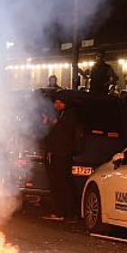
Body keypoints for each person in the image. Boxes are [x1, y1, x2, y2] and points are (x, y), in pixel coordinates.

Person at [42, 92, 79, 223]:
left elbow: (62, 134)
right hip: (57, 154)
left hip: (61, 155)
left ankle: (67, 213)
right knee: (58, 184)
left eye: (59, 102)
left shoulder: (69, 116)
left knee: (63, 184)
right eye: (55, 102)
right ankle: (60, 211)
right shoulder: (62, 115)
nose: (56, 105)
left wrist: (52, 123)